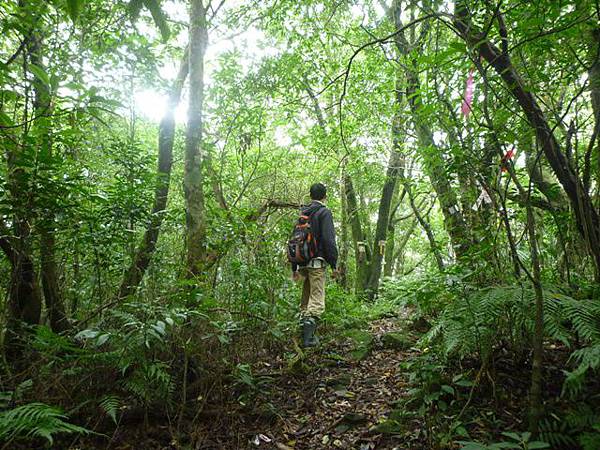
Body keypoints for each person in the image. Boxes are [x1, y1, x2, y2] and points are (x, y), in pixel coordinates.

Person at [292, 183, 338, 347]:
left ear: (310, 196)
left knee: (306, 299)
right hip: (317, 262)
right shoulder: (324, 212)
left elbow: (294, 239)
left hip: (302, 262)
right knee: (317, 300)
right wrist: (334, 264)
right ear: (324, 196)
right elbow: (328, 240)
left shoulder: (303, 213)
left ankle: (302, 334)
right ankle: (309, 339)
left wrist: (294, 267)